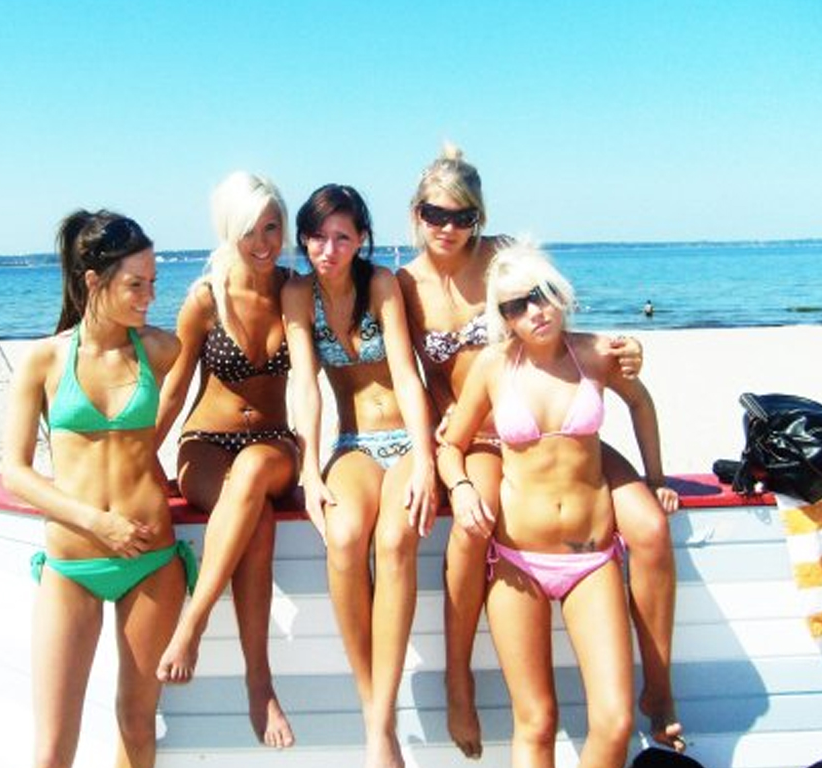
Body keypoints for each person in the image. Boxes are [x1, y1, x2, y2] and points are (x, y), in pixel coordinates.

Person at [396, 144, 684, 758]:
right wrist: (439, 464)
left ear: (479, 216)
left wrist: (628, 352)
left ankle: (660, 690)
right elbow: (398, 372)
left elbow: (562, 318)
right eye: (435, 214)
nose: (448, 227)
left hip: (561, 432)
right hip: (481, 435)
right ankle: (458, 682)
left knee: (650, 527)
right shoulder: (403, 284)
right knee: (470, 531)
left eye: (462, 216)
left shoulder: (505, 259)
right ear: (416, 214)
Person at [437, 240, 678, 768]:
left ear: (561, 293)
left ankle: (660, 694)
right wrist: (461, 488)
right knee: (536, 723)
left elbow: (641, 403)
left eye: (541, 295)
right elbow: (451, 446)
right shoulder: (494, 367)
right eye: (516, 306)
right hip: (517, 563)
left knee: (614, 723)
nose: (535, 311)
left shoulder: (596, 354)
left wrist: (655, 477)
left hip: (591, 561)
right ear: (503, 317)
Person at [2, 210, 195, 768]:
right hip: (73, 563)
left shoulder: (162, 350)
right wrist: (96, 522)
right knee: (52, 748)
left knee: (137, 725)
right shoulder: (44, 360)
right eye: (136, 284)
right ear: (94, 280)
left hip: (151, 560)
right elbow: (14, 472)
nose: (150, 297)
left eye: (154, 282)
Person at [282, 184, 437, 768]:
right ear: (304, 239)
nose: (329, 249)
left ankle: (379, 722)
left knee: (395, 539)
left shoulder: (381, 285)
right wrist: (309, 467)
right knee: (344, 538)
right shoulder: (298, 294)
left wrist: (426, 460)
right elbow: (306, 385)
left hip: (406, 438)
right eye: (318, 237)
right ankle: (377, 715)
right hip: (352, 442)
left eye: (342, 237)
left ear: (362, 239)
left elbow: (407, 375)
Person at [154, 171, 297, 749]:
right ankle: (259, 682)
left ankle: (193, 621)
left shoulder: (294, 291)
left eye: (272, 227)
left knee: (255, 472)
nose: (263, 243)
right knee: (253, 513)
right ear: (227, 230)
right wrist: (141, 459)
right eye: (249, 231)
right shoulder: (205, 299)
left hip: (274, 446)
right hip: (205, 445)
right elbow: (173, 390)